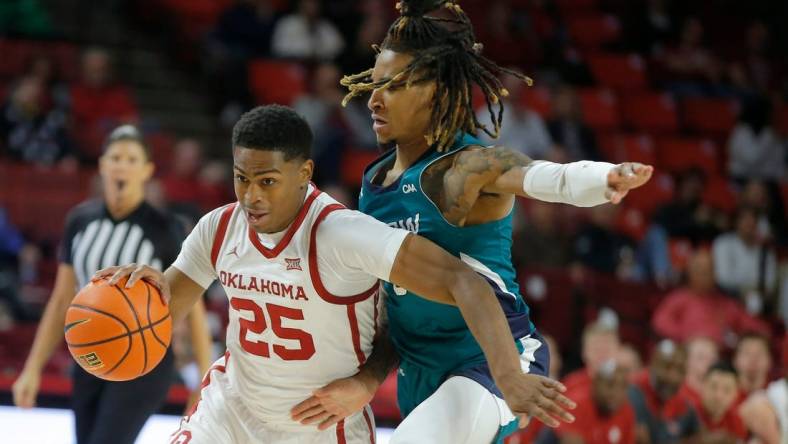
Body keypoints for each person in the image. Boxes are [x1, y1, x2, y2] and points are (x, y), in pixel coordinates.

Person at [96, 105, 576, 444]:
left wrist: (369, 382)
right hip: (232, 410)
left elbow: (462, 281)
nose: (251, 197)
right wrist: (144, 293)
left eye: (267, 182)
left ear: (304, 173)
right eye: (242, 178)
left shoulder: (345, 234)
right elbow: (162, 310)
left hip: (323, 428)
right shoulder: (219, 228)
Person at [307, 1, 653, 442]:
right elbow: (398, 309)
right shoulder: (375, 182)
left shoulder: (465, 168)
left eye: (391, 87)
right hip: (422, 374)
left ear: (433, 91)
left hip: (494, 361)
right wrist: (369, 379)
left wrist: (603, 178)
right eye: (373, 85)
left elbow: (542, 178)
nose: (373, 99)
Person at [11, 125, 213, 444]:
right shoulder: (79, 220)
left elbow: (195, 308)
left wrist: (203, 382)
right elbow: (61, 299)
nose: (122, 165)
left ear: (146, 171)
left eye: (132, 159)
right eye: (116, 157)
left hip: (144, 359)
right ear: (103, 164)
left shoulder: (165, 227)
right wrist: (32, 368)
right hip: (89, 355)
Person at [628, 340, 699, 444]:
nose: (673, 377)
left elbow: (698, 435)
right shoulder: (633, 396)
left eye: (680, 370)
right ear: (653, 364)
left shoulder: (684, 403)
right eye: (667, 367)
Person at [695, 362, 747, 441]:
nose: (718, 396)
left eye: (727, 390)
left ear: (736, 394)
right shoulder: (687, 413)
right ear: (703, 385)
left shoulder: (736, 423)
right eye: (713, 387)